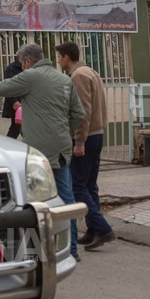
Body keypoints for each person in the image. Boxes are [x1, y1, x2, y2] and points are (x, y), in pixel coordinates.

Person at [0, 44, 85, 261]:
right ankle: (72, 250)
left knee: (36, 201)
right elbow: (78, 113)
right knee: (66, 199)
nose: (21, 66)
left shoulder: (30, 77)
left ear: (28, 61)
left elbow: (0, 89)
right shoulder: (64, 79)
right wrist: (65, 132)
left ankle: (37, 250)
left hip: (39, 150)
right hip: (62, 148)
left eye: (21, 62)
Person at [56, 42, 116, 252]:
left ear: (66, 58)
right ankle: (93, 229)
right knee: (90, 185)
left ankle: (103, 228)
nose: (58, 62)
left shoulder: (78, 76)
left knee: (78, 185)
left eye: (59, 57)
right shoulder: (90, 71)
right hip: (96, 134)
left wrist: (79, 141)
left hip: (86, 137)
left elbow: (82, 111)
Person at [0, 56, 24, 139]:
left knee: (19, 129)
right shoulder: (11, 69)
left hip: (27, 102)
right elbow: (8, 87)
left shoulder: (30, 67)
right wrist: (14, 101)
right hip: (18, 105)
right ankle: (7, 147)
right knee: (15, 128)